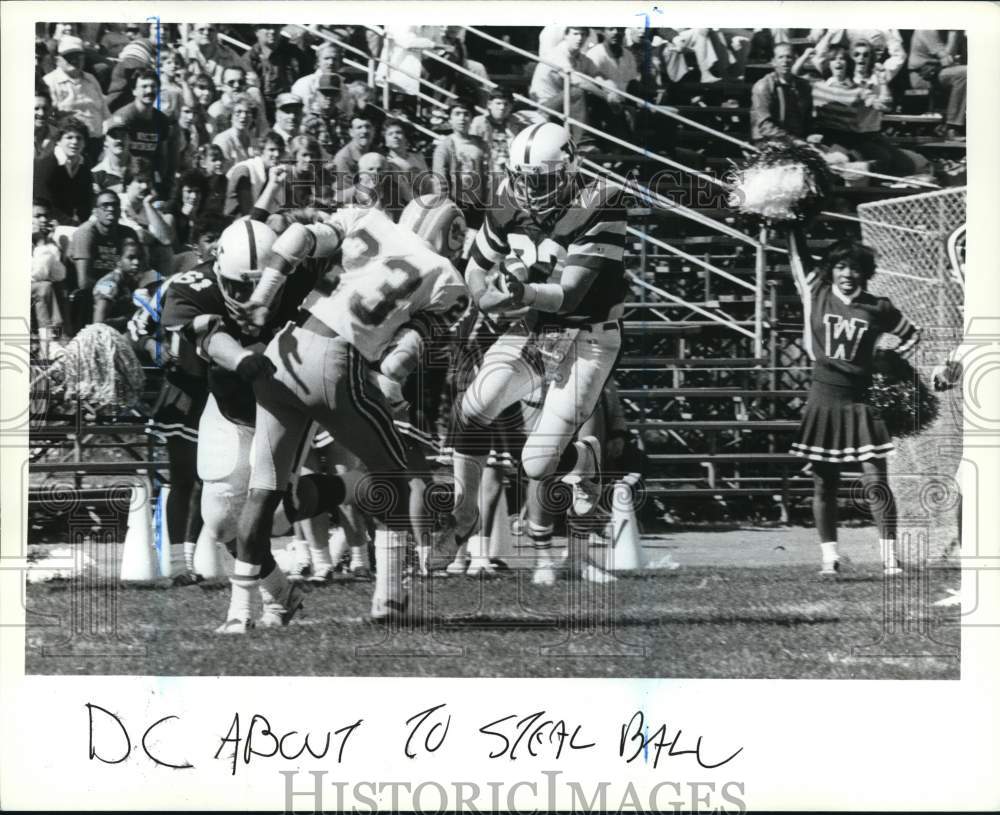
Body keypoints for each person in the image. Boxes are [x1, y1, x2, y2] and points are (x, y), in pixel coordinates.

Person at [226, 177, 471, 629]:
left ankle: (243, 613)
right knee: (396, 474)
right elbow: (418, 339)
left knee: (263, 491)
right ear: (452, 236)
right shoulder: (447, 276)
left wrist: (263, 297)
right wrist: (387, 376)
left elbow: (298, 236)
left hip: (283, 352)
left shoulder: (369, 218)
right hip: (337, 361)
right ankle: (390, 598)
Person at [444, 122, 629, 586]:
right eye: (524, 178)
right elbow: (476, 270)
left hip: (589, 336)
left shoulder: (601, 201)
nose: (530, 189)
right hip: (537, 329)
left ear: (569, 170)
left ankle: (586, 462)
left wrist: (517, 290)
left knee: (536, 464)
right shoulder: (509, 194)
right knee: (477, 402)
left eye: (542, 180)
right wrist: (489, 297)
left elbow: (570, 296)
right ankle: (462, 512)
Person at [783, 227, 920, 577]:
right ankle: (830, 557)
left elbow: (912, 335)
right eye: (841, 267)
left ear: (865, 273)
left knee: (876, 478)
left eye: (855, 268)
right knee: (823, 481)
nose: (847, 274)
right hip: (824, 395)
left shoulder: (878, 307)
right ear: (831, 270)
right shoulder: (816, 292)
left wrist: (886, 361)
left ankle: (890, 558)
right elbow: (797, 253)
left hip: (861, 399)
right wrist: (792, 218)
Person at [529, 27, 614, 140]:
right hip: (545, 106)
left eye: (583, 34)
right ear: (566, 36)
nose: (579, 38)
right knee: (578, 92)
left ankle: (617, 146)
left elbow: (599, 76)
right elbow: (577, 81)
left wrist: (612, 91)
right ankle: (583, 142)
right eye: (575, 34)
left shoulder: (582, 58)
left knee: (607, 101)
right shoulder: (558, 54)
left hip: (565, 105)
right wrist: (606, 96)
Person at [104, 68, 178, 197]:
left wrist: (160, 185)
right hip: (125, 178)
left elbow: (163, 156)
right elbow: (114, 154)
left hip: (149, 180)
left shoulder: (161, 120)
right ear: (134, 91)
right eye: (144, 87)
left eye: (153, 87)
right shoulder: (124, 117)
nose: (149, 91)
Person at [42, 35, 110, 152]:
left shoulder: (91, 79)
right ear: (57, 60)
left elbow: (105, 111)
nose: (75, 60)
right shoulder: (50, 82)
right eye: (69, 56)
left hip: (97, 143)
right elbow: (49, 119)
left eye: (79, 56)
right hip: (70, 146)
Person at [432, 100, 488, 228]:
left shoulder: (480, 144)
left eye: (466, 114)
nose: (462, 118)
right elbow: (439, 180)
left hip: (479, 204)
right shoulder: (444, 147)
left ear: (472, 118)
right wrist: (444, 206)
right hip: (456, 203)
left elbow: (488, 174)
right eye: (457, 114)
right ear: (450, 119)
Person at [908, 30, 966, 140]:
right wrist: (953, 33)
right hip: (923, 75)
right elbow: (948, 60)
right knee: (965, 74)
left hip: (941, 72)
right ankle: (952, 127)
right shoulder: (927, 29)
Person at [243, 23, 310, 120]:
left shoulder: (295, 53)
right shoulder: (249, 59)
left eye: (276, 26)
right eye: (267, 27)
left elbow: (306, 82)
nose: (273, 31)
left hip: (292, 107)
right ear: (256, 31)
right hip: (263, 111)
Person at [33, 121, 94, 225]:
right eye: (69, 137)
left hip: (70, 223)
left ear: (84, 143)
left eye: (79, 138)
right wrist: (74, 225)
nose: (74, 142)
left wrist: (83, 224)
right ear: (58, 141)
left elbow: (86, 202)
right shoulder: (45, 164)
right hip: (44, 221)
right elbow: (43, 203)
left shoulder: (84, 165)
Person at [750, 43, 813, 142]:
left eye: (789, 57)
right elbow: (764, 125)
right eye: (780, 57)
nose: (785, 61)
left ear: (795, 60)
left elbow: (807, 120)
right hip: (769, 142)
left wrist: (810, 136)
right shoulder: (763, 86)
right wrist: (792, 140)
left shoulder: (803, 86)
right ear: (773, 61)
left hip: (798, 141)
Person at [31, 199, 69, 354]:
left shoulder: (44, 243)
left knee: (57, 287)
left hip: (38, 292)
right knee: (44, 287)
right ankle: (52, 342)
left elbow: (59, 275)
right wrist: (41, 243)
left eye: (46, 215)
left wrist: (49, 242)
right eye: (38, 216)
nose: (44, 220)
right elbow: (35, 276)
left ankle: (56, 338)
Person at [224, 131, 286, 217]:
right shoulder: (245, 170)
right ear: (261, 150)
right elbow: (248, 214)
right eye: (272, 150)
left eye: (280, 150)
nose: (277, 154)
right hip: (237, 223)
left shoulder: (275, 172)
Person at [469, 87, 525, 180]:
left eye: (506, 104)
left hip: (511, 173)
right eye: (498, 103)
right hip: (487, 172)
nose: (502, 107)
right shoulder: (479, 123)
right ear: (489, 105)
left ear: (511, 107)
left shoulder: (517, 125)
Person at [91, 237, 146, 330]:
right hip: (107, 337)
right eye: (131, 258)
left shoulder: (132, 281)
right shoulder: (109, 284)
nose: (136, 262)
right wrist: (132, 317)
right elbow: (98, 325)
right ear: (118, 260)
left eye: (139, 258)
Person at [383, 118, 432, 204]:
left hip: (427, 200)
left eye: (399, 132)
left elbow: (428, 184)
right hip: (408, 205)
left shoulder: (418, 157)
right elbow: (405, 191)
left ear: (405, 137)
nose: (395, 136)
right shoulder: (388, 163)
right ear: (385, 141)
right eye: (390, 134)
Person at [290, 42, 345, 113]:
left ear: (340, 62)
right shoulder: (304, 84)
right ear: (318, 61)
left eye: (335, 59)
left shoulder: (344, 86)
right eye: (326, 58)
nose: (331, 62)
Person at [331, 114, 377, 190]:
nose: (364, 131)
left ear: (373, 130)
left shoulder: (378, 153)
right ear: (351, 132)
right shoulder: (343, 159)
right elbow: (344, 193)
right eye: (359, 127)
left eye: (368, 127)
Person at [211, 94, 256, 168]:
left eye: (248, 112)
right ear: (231, 116)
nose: (243, 116)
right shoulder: (223, 140)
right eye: (238, 112)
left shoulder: (253, 139)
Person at [89, 123, 131, 193]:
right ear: (105, 141)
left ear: (130, 140)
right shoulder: (96, 174)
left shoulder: (142, 166)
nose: (119, 140)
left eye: (123, 135)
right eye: (114, 136)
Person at [33, 89, 58, 159]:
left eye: (45, 108)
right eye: (36, 108)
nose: (41, 113)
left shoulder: (58, 135)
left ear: (51, 110)